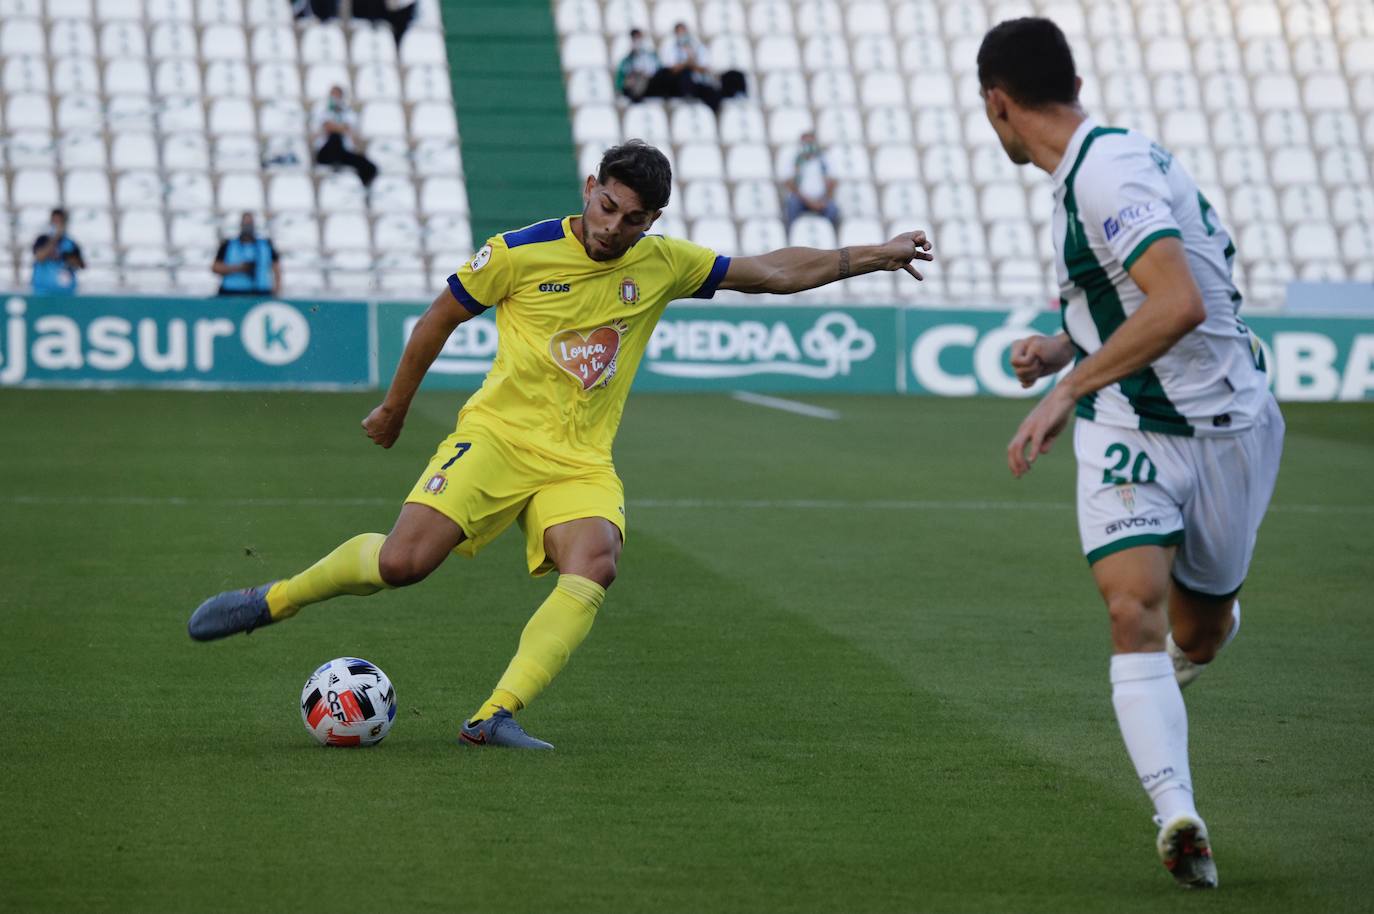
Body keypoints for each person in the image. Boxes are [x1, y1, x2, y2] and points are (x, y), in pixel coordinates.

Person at [187, 139, 933, 751]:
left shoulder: (664, 262)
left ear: (653, 220)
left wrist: (874, 254)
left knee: (597, 561)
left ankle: (495, 714)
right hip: (497, 438)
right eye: (607, 206)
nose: (614, 227)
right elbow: (436, 321)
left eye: (634, 219)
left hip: (579, 460)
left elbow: (771, 271)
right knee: (401, 565)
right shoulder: (518, 253)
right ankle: (275, 600)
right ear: (589, 188)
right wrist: (394, 408)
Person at [981, 18, 1284, 890]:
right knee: (1131, 612)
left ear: (998, 103)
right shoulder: (1091, 168)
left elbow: (1179, 301)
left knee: (1201, 630)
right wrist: (1066, 346)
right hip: (1129, 423)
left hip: (1226, 428)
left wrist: (1063, 390)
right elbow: (1126, 301)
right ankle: (1177, 813)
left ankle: (1196, 642)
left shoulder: (1104, 173)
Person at [662, 22, 745, 113]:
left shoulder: (697, 47)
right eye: (680, 32)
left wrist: (689, 62)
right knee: (685, 75)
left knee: (730, 78)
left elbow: (704, 68)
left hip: (699, 82)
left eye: (684, 32)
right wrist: (688, 63)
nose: (682, 35)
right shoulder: (670, 48)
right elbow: (672, 70)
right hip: (679, 84)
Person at [313, 85, 378, 188]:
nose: (335, 97)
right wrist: (340, 127)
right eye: (333, 94)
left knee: (369, 166)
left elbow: (346, 127)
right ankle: (335, 162)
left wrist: (336, 126)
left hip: (342, 153)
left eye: (337, 94)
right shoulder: (322, 109)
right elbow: (329, 127)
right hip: (325, 152)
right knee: (335, 137)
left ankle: (365, 188)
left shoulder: (348, 112)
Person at [212, 212, 281, 297]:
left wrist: (277, 289)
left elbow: (277, 267)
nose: (248, 227)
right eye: (245, 223)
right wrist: (239, 268)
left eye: (250, 223)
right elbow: (215, 267)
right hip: (231, 293)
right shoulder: (228, 244)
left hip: (261, 292)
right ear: (240, 225)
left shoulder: (266, 244)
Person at [782, 131, 840, 228]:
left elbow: (833, 182)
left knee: (832, 209)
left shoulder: (824, 158)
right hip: (800, 199)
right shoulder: (794, 159)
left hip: (821, 199)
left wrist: (824, 199)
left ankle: (828, 234)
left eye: (811, 142)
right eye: (806, 143)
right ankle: (791, 234)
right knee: (792, 205)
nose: (809, 146)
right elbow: (789, 183)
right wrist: (809, 202)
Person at [31, 208, 85, 295]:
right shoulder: (42, 239)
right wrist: (55, 238)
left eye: (60, 221)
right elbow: (39, 257)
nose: (57, 224)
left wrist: (66, 258)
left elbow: (80, 265)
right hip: (42, 291)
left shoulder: (71, 243)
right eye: (55, 221)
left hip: (66, 293)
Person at [615, 28, 673, 103]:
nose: (638, 41)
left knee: (666, 72)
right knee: (637, 77)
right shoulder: (627, 59)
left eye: (639, 37)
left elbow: (659, 68)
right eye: (635, 38)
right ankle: (636, 95)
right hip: (636, 83)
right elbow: (622, 75)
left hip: (651, 82)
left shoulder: (651, 55)